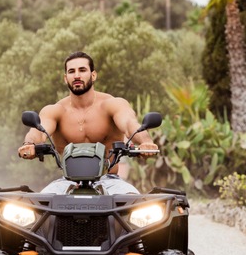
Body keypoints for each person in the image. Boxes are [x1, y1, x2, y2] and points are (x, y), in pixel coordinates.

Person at [17, 51, 158, 193]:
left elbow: (130, 124)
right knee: (41, 207)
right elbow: (38, 131)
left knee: (132, 203)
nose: (77, 75)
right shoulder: (55, 111)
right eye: (71, 71)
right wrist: (29, 144)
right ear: (66, 78)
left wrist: (146, 142)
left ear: (93, 75)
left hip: (110, 181)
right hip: (67, 183)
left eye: (82, 70)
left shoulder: (112, 105)